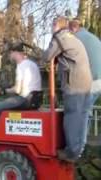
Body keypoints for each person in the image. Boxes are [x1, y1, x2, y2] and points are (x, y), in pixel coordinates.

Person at [42, 16, 92, 162]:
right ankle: (79, 149)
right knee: (82, 115)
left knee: (71, 116)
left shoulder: (60, 37)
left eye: (52, 25)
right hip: (86, 82)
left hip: (74, 83)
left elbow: (47, 56)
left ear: (57, 25)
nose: (51, 28)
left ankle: (71, 152)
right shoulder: (73, 37)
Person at [69, 18, 101, 112]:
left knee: (80, 112)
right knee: (85, 109)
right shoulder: (94, 37)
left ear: (73, 28)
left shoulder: (75, 38)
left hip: (89, 82)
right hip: (99, 81)